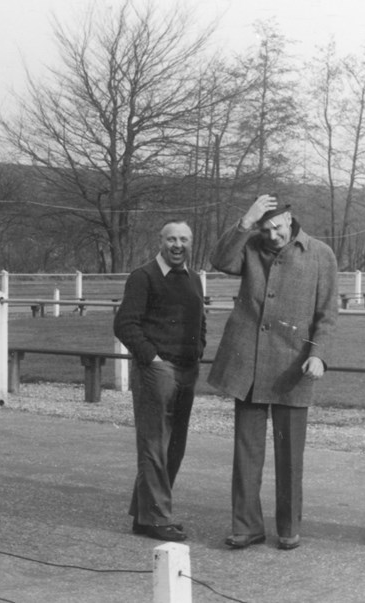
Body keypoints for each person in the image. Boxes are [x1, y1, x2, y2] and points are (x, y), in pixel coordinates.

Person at [208, 194, 338, 551]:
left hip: (294, 367)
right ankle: (247, 526)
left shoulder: (320, 254)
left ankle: (288, 527)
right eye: (265, 229)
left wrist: (319, 356)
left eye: (277, 227)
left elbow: (327, 315)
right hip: (247, 365)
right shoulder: (249, 245)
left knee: (290, 453)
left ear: (290, 218)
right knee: (246, 452)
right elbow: (219, 260)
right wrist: (245, 222)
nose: (273, 236)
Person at [113, 220, 206, 543]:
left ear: (191, 242)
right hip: (157, 371)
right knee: (154, 445)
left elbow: (200, 322)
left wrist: (199, 349)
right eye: (171, 239)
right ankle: (158, 517)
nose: (177, 245)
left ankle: (144, 515)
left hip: (187, 370)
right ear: (161, 241)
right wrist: (152, 359)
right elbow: (125, 324)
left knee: (174, 447)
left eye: (183, 239)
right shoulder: (143, 277)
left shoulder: (194, 279)